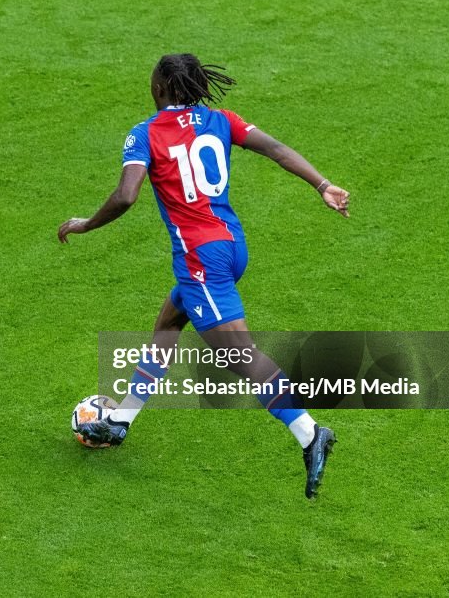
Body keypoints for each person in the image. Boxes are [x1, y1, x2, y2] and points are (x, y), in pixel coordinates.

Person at [58, 53, 350, 498]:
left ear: (159, 88)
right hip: (232, 247)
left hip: (200, 260)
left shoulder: (145, 135)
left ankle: (311, 433)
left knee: (239, 356)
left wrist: (86, 224)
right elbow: (275, 148)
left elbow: (126, 195)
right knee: (169, 323)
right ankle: (119, 421)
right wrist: (323, 184)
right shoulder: (221, 119)